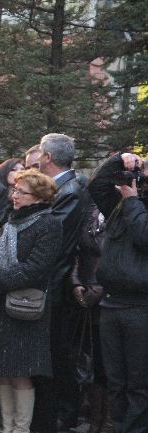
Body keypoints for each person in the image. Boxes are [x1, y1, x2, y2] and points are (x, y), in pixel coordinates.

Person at [0, 169, 61, 433]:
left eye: (21, 192)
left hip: (25, 309)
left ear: (39, 197)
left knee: (21, 371)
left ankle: (20, 429)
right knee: (3, 369)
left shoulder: (49, 224)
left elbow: (36, 267)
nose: (14, 195)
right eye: (14, 190)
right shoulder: (10, 221)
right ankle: (7, 427)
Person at [88, 152, 148, 433]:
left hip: (141, 308)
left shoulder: (132, 205)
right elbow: (97, 186)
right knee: (116, 381)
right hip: (112, 305)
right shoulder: (120, 204)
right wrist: (119, 159)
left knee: (139, 384)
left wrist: (133, 200)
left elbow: (144, 236)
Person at [33, 133, 90, 433]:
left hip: (57, 285)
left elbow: (53, 238)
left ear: (48, 157)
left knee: (58, 353)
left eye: (40, 154)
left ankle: (63, 414)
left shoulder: (69, 190)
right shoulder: (65, 187)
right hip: (53, 282)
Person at [69, 205, 113, 433]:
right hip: (85, 296)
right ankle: (93, 418)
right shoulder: (92, 214)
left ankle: (107, 422)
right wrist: (76, 281)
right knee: (89, 357)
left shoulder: (124, 215)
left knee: (107, 362)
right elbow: (79, 251)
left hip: (111, 297)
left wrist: (101, 287)